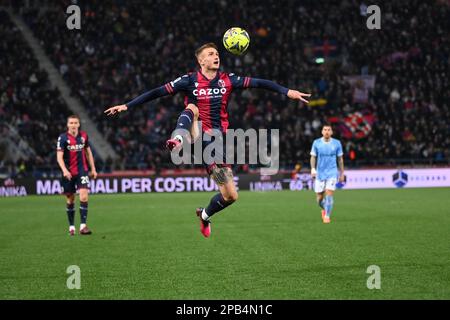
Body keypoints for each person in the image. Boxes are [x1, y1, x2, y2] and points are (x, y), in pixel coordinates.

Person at [104, 42, 311, 237]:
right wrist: (127, 105)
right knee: (192, 108)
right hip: (198, 135)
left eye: (217, 54)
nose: (215, 57)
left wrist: (287, 91)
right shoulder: (188, 80)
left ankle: (204, 215)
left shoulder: (228, 80)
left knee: (231, 196)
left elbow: (259, 83)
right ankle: (176, 139)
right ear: (201, 61)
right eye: (210, 54)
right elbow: (157, 92)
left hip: (219, 144)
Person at [56, 115, 97, 235]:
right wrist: (64, 170)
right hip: (68, 172)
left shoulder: (84, 136)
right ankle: (71, 227)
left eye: (75, 123)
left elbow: (88, 152)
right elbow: (59, 157)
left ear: (79, 124)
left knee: (84, 195)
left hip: (82, 171)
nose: (73, 125)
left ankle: (83, 226)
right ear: (68, 125)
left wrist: (93, 169)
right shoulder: (62, 138)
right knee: (70, 199)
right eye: (71, 123)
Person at [310, 124, 344, 223]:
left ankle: (327, 216)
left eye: (329, 130)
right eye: (325, 130)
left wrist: (341, 173)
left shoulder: (337, 143)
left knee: (329, 194)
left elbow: (340, 159)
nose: (327, 131)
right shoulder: (316, 143)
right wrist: (313, 169)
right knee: (319, 199)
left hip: (332, 172)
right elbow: (313, 157)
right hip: (320, 173)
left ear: (332, 132)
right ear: (322, 132)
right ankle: (324, 209)